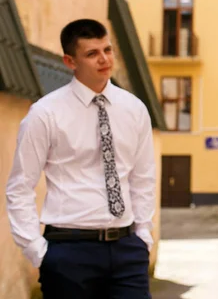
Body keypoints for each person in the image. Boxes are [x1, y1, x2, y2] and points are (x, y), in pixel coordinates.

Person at [6, 19, 156, 299]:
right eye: (92, 53)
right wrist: (38, 253)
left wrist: (143, 237)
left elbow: (142, 178)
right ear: (70, 61)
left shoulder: (134, 109)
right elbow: (19, 187)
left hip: (127, 250)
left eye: (107, 49)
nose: (104, 59)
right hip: (68, 252)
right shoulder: (46, 113)